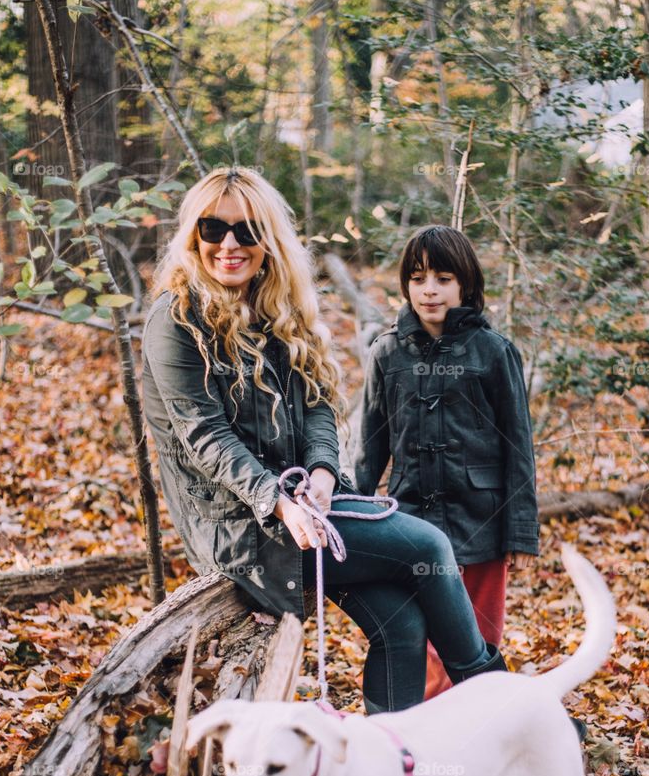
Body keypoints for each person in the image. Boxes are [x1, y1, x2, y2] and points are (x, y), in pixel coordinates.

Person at [141, 167, 506, 714]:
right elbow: (205, 435)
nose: (230, 244)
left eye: (248, 230)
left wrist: (322, 473)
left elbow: (317, 406)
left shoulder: (276, 308)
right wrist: (278, 500)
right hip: (242, 524)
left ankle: (392, 765)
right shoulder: (175, 320)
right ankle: (499, 705)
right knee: (429, 546)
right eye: (213, 229)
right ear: (194, 235)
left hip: (310, 505)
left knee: (402, 624)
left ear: (270, 239)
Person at [353, 224, 539, 699]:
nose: (429, 290)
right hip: (410, 523)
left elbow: (518, 445)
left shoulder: (494, 352)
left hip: (481, 523)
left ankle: (481, 733)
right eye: (418, 279)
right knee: (422, 640)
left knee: (476, 639)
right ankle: (428, 742)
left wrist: (520, 532)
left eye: (442, 278)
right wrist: (349, 515)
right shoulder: (387, 352)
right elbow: (369, 448)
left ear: (465, 284)